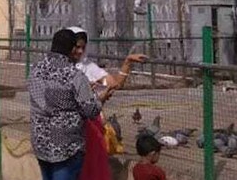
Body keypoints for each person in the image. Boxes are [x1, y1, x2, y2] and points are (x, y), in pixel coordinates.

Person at [30, 29, 120, 180]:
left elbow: (46, 100)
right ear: (71, 49)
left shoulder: (36, 70)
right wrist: (101, 97)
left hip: (40, 141)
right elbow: (91, 110)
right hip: (65, 146)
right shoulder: (74, 75)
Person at [65, 27, 148, 180]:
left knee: (93, 168)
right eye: (76, 46)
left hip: (93, 124)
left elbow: (114, 83)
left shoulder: (88, 67)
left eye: (83, 47)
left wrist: (127, 63)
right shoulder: (58, 68)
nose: (79, 51)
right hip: (70, 129)